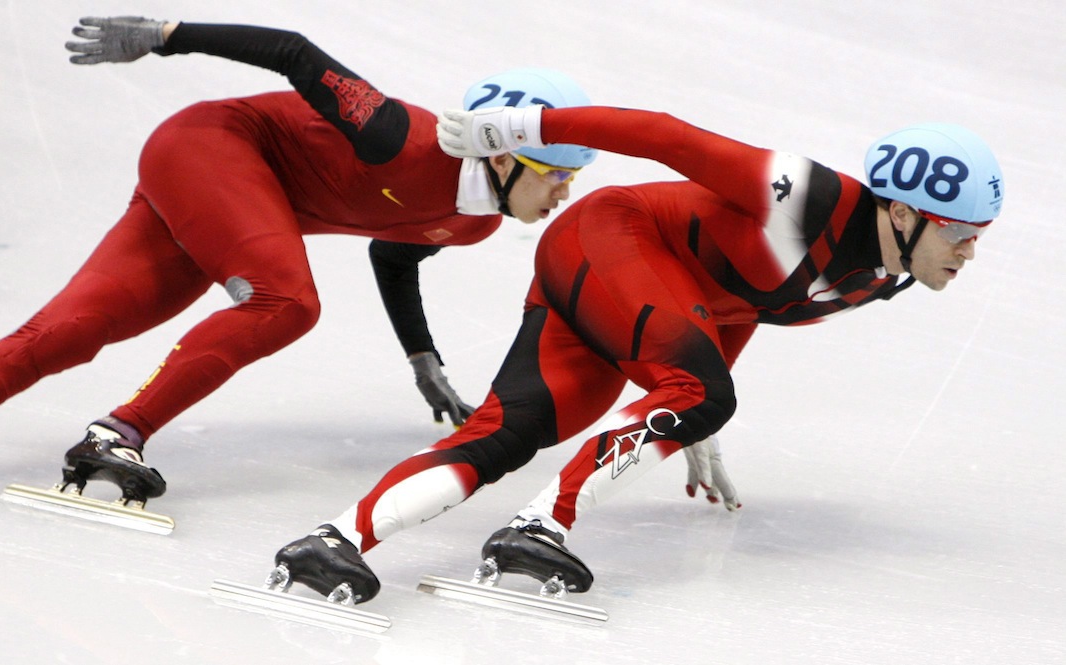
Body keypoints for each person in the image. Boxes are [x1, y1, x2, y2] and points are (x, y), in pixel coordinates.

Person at [0, 18, 599, 507]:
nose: (564, 191)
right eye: (558, 171)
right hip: (211, 150)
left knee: (70, 331)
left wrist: (422, 361)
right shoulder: (397, 134)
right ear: (505, 151)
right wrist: (167, 38)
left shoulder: (475, 224)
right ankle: (119, 433)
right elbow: (294, 51)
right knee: (288, 301)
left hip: (237, 207)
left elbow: (395, 256)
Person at [270, 103, 1004, 603]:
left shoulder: (883, 275)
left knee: (512, 427)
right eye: (960, 232)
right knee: (699, 392)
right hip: (612, 240)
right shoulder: (803, 194)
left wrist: (693, 406)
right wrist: (523, 126)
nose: (971, 252)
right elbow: (663, 135)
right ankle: (538, 527)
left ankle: (334, 538)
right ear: (902, 213)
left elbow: (747, 301)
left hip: (638, 289)